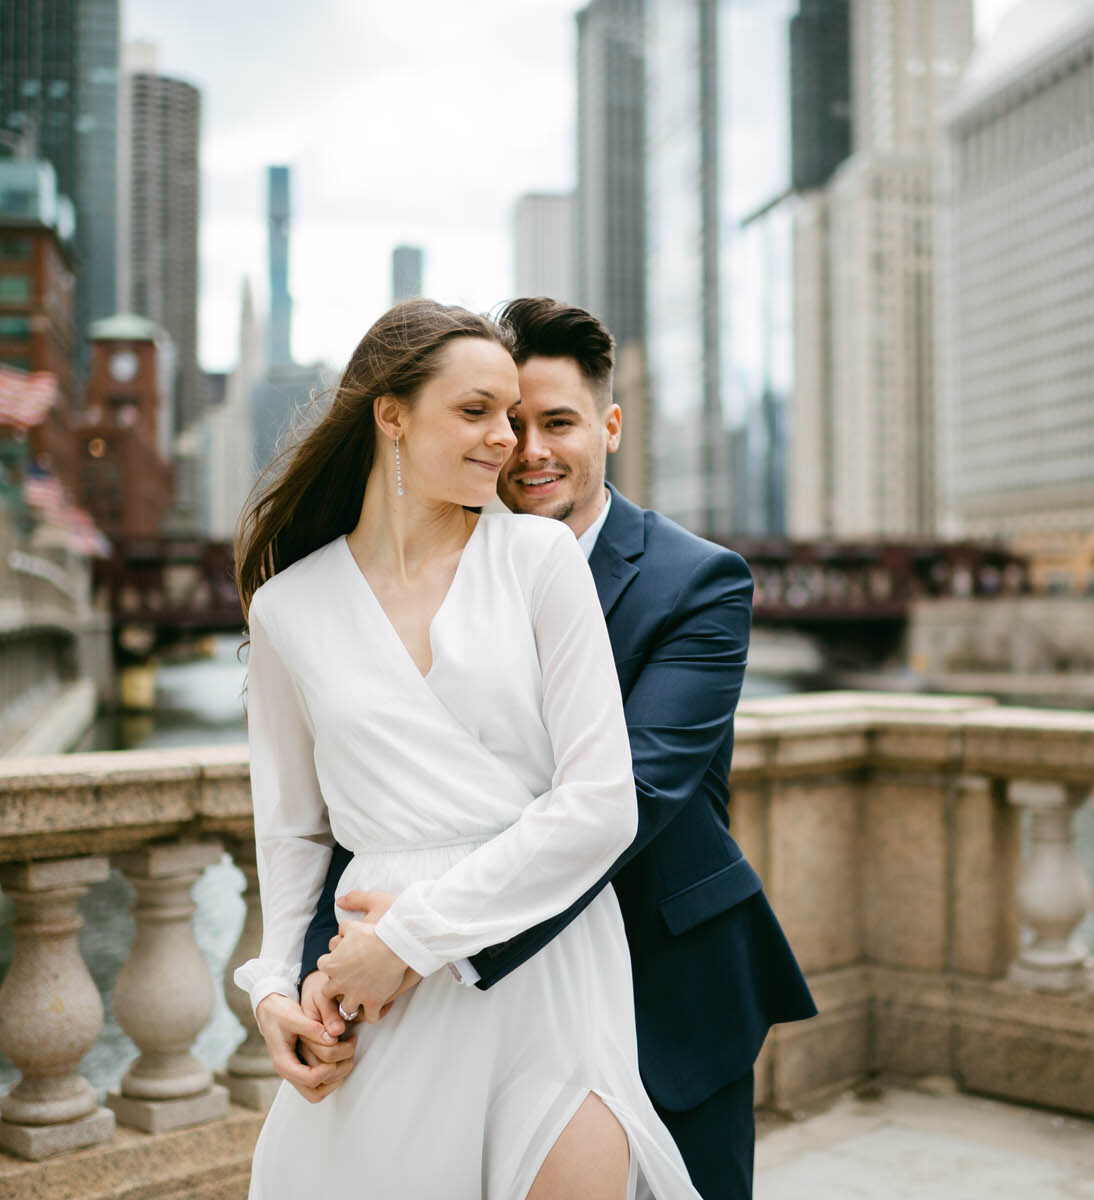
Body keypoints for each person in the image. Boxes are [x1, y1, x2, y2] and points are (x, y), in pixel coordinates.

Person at [275, 298, 817, 1200]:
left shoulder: (699, 582)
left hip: (665, 981)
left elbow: (628, 798)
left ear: (609, 425)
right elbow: (372, 794)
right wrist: (311, 974)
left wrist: (415, 933)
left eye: (555, 423)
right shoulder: (357, 587)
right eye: (498, 419)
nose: (523, 449)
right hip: (444, 990)